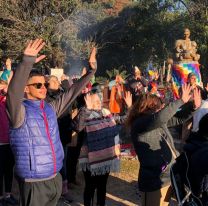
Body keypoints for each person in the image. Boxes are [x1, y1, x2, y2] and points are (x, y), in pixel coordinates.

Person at [6, 39, 97, 206]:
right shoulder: (18, 112)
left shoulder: (49, 108)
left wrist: (91, 71)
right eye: (38, 84)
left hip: (55, 177)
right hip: (34, 181)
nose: (44, 88)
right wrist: (26, 62)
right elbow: (13, 93)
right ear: (26, 88)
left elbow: (72, 93)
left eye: (45, 84)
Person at [125, 84, 201, 206]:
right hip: (155, 178)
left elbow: (177, 119)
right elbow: (159, 118)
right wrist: (181, 100)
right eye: (158, 107)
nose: (161, 108)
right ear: (148, 107)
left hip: (168, 175)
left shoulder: (154, 121)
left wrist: (194, 107)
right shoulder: (140, 123)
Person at [72, 84, 132, 206]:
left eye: (99, 100)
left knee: (102, 187)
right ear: (88, 102)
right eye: (95, 101)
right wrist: (87, 109)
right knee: (90, 187)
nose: (99, 102)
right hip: (90, 160)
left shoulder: (106, 113)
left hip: (105, 158)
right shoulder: (84, 113)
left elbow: (123, 119)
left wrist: (129, 107)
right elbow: (78, 127)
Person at [0, 80, 18, 206]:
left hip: (10, 142)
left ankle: (7, 194)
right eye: (2, 90)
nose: (4, 92)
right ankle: (1, 197)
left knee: (9, 170)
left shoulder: (9, 102)